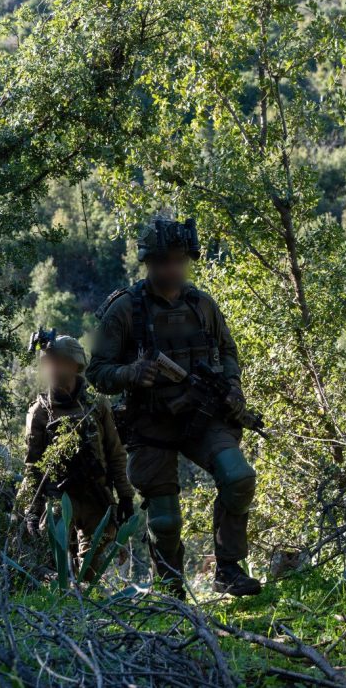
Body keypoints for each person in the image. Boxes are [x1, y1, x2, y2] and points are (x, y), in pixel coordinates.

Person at [87, 217, 261, 597]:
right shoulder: (125, 311)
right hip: (151, 422)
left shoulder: (202, 305)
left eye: (180, 260)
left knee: (239, 477)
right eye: (165, 261)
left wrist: (232, 386)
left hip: (203, 414)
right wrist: (132, 372)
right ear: (149, 263)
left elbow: (228, 351)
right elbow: (96, 371)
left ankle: (228, 569)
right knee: (164, 518)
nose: (173, 269)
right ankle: (171, 591)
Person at [23, 334, 136, 581]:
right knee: (57, 561)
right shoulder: (40, 411)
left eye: (60, 361)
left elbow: (115, 453)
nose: (53, 368)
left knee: (91, 568)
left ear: (75, 364)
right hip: (59, 498)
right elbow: (32, 465)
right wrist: (31, 508)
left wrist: (125, 496)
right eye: (49, 362)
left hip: (96, 495)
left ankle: (87, 605)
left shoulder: (97, 405)